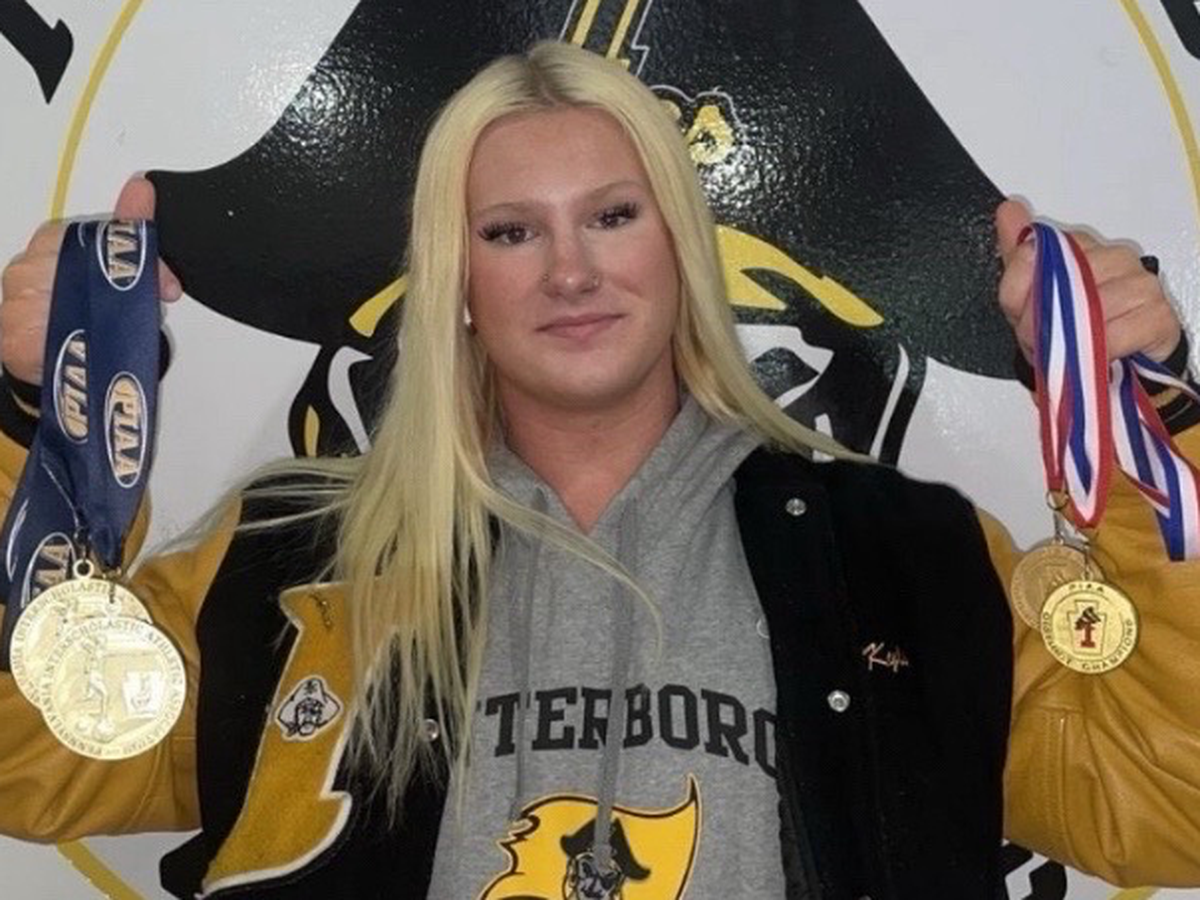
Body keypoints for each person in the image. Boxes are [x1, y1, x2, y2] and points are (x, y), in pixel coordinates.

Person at [1, 40, 1198, 899]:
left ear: (682, 243)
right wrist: (36, 425)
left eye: (613, 216)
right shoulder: (285, 556)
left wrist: (1150, 416)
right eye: (511, 231)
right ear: (457, 279)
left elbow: (1167, 803)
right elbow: (33, 758)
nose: (570, 272)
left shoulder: (907, 552)